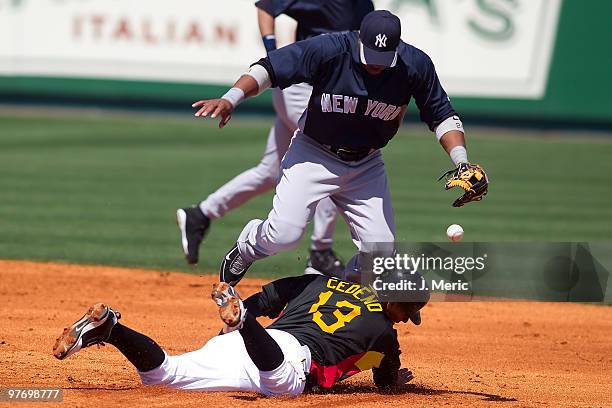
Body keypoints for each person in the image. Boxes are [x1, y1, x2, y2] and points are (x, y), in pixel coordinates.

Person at [191, 9, 488, 287]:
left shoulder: (415, 65)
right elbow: (269, 69)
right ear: (359, 38)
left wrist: (461, 161)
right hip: (313, 154)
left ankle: (342, 293)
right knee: (284, 235)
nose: (374, 64)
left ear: (397, 49)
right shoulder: (331, 49)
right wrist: (231, 98)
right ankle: (247, 247)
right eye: (370, 54)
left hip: (366, 165)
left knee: (381, 257)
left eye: (383, 57)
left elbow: (442, 115)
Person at [176, 0, 374, 277]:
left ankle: (201, 214)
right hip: (302, 88)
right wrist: (272, 50)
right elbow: (266, 6)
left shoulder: (365, 5)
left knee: (270, 171)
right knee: (330, 154)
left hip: (328, 92)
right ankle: (320, 251)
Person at [53, 275, 427, 397]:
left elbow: (270, 296)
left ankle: (113, 330)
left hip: (247, 340)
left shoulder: (322, 280)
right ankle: (242, 319)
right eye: (408, 314)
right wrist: (396, 380)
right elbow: (384, 380)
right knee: (280, 379)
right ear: (399, 306)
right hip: (284, 358)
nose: (403, 320)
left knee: (162, 375)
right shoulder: (384, 334)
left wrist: (247, 310)